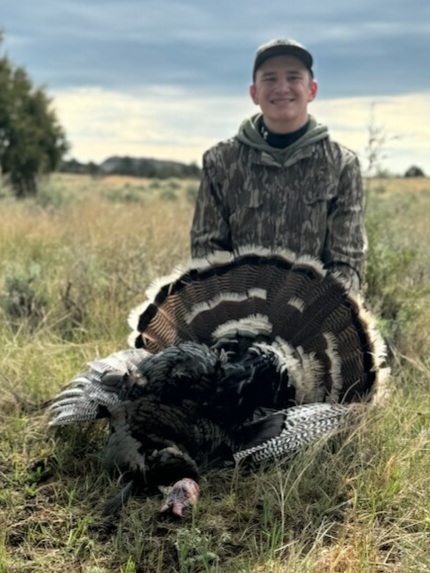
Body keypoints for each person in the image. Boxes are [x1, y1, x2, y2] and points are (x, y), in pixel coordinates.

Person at [190, 38, 366, 293]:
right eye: (270, 79)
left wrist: (323, 308)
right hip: (238, 307)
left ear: (312, 90)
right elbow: (207, 252)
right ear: (254, 93)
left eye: (294, 77)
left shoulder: (341, 164)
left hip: (315, 309)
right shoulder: (220, 162)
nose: (282, 88)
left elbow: (346, 260)